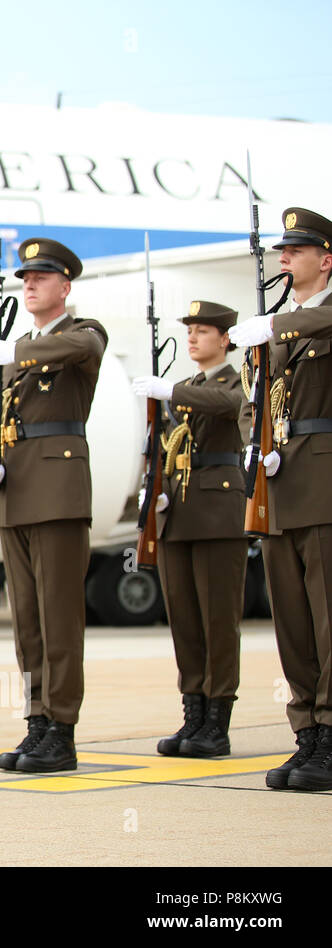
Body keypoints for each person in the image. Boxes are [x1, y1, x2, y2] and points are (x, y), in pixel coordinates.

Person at [0, 238, 108, 774]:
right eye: (25, 278)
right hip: (15, 489)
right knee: (26, 620)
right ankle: (37, 723)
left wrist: (13, 354)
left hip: (57, 489)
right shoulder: (16, 345)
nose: (29, 284)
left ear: (65, 287)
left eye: (42, 278)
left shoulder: (82, 333)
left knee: (58, 618)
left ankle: (63, 728)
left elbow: (81, 350)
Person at [231, 207, 332, 791]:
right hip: (278, 483)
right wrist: (256, 444)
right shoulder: (270, 326)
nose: (284, 257)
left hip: (322, 483)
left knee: (327, 617)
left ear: (326, 257)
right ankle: (308, 734)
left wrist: (279, 330)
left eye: (297, 249)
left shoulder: (305, 322)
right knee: (291, 618)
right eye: (281, 250)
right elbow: (253, 399)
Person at [131, 301, 246, 758]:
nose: (194, 338)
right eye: (191, 331)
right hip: (177, 512)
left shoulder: (235, 381)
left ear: (225, 340)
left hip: (218, 513)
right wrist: (152, 488)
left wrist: (171, 391)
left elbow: (231, 406)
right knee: (185, 621)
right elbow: (166, 445)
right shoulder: (186, 388)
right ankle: (193, 715)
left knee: (218, 620)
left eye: (204, 331)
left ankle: (218, 722)